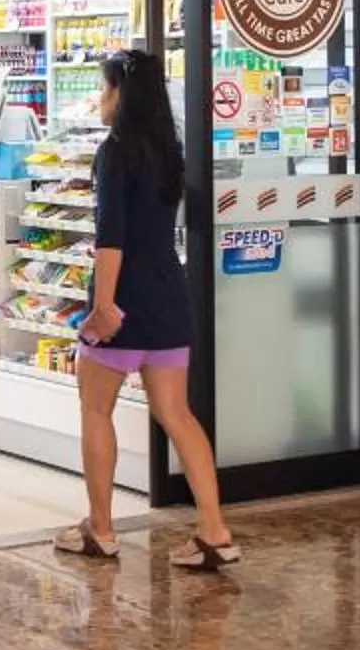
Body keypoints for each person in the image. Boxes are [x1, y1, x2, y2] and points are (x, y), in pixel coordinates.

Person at [58, 49, 236, 569]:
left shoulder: (115, 153)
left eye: (104, 88)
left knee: (95, 409)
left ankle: (103, 527)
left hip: (126, 297)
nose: (99, 98)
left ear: (121, 94)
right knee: (177, 414)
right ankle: (215, 530)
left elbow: (111, 239)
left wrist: (104, 306)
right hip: (169, 294)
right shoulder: (169, 151)